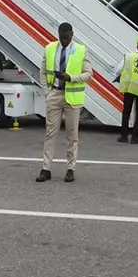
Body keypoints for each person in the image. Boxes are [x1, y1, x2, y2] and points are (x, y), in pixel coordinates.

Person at [38, 22, 94, 182]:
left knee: (72, 135)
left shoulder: (81, 50)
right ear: (58, 34)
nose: (63, 41)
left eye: (66, 38)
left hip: (72, 98)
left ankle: (70, 169)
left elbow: (89, 74)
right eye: (61, 38)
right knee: (50, 133)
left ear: (72, 35)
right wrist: (46, 91)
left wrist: (71, 78)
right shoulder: (49, 48)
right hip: (54, 94)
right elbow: (43, 71)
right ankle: (46, 168)